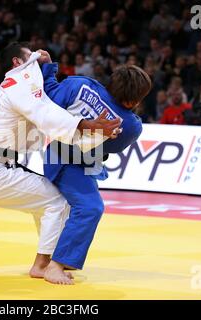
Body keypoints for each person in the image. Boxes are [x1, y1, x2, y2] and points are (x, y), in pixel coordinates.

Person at [0, 42, 121, 285]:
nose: (37, 57)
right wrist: (90, 125)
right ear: (17, 62)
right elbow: (46, 113)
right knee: (56, 202)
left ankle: (47, 261)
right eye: (31, 55)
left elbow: (47, 102)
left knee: (47, 203)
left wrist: (48, 66)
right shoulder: (18, 85)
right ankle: (42, 265)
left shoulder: (17, 85)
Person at [37, 51, 152, 284]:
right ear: (133, 101)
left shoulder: (80, 84)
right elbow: (113, 148)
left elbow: (49, 94)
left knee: (73, 208)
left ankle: (53, 260)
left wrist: (48, 67)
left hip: (54, 153)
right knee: (90, 207)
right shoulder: (130, 124)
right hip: (72, 163)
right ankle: (55, 266)